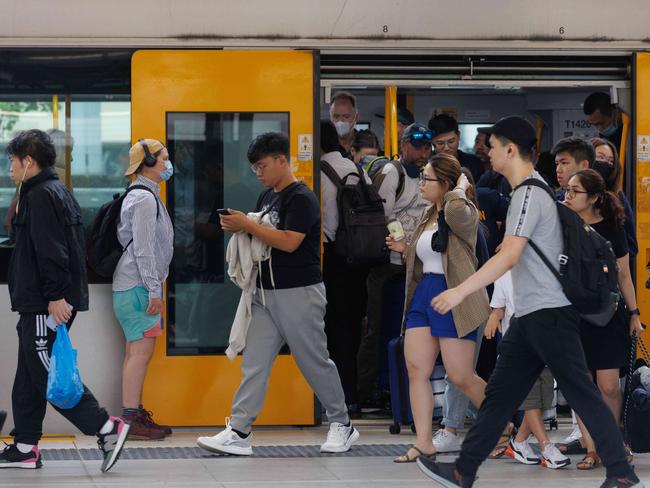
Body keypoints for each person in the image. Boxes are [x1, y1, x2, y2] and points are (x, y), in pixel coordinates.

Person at [418, 116, 642, 488]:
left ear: (510, 150)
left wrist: (460, 291)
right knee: (501, 397)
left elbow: (509, 254)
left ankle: (620, 471)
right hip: (532, 316)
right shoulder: (533, 190)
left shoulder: (528, 193)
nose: (486, 154)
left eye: (492, 147)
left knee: (581, 394)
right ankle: (463, 471)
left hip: (548, 315)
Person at [196, 132, 358, 455]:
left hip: (299, 292)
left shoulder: (302, 198)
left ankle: (343, 423)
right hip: (264, 293)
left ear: (282, 161)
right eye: (255, 167)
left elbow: (289, 241)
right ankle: (240, 431)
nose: (259, 173)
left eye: (262, 166)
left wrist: (246, 225)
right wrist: (245, 225)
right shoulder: (268, 196)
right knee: (254, 363)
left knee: (313, 360)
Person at [0, 130, 128, 472]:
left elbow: (51, 251)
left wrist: (55, 295)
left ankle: (106, 427)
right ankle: (25, 447)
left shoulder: (42, 195)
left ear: (28, 161)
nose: (9, 167)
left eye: (12, 160)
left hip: (46, 304)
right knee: (28, 377)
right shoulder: (49, 191)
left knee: (50, 375)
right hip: (38, 303)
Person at [388, 153, 489, 463]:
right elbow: (432, 255)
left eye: (427, 178)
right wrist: (405, 249)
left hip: (455, 294)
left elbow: (457, 211)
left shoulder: (461, 210)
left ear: (445, 184)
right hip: (425, 294)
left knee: (460, 375)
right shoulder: (427, 214)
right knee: (416, 369)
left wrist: (458, 188)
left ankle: (502, 421)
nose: (420, 183)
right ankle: (423, 442)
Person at [561, 169, 643, 470]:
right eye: (567, 190)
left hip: (607, 315)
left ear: (594, 197)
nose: (567, 196)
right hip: (571, 314)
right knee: (582, 384)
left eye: (574, 191)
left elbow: (624, 275)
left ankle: (613, 440)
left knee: (608, 385)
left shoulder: (612, 228)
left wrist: (634, 313)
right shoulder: (562, 225)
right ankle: (593, 449)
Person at [357, 123, 431, 409]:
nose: (422, 150)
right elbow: (380, 215)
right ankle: (373, 388)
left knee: (410, 329)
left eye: (426, 146)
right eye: (416, 145)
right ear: (403, 145)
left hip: (417, 262)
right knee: (379, 326)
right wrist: (401, 243)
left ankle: (401, 386)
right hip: (389, 265)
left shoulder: (428, 175)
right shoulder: (392, 173)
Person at [112, 139, 175, 440]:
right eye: (163, 158)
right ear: (148, 162)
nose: (167, 163)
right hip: (138, 287)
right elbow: (145, 250)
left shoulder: (145, 196)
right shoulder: (145, 200)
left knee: (135, 353)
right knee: (139, 353)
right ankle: (130, 418)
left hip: (134, 286)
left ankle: (132, 414)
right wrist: (154, 290)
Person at [485, 273, 570, 469]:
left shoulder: (542, 266)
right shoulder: (503, 274)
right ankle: (546, 447)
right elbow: (499, 306)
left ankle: (520, 441)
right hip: (519, 350)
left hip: (545, 346)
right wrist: (494, 316)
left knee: (543, 400)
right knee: (530, 401)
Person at [320, 120, 371, 411]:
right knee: (353, 327)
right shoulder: (355, 168)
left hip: (332, 256)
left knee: (333, 328)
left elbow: (325, 223)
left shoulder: (320, 172)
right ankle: (353, 395)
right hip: (360, 256)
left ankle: (338, 399)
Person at [591, 137, 638, 257]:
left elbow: (631, 245)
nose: (606, 164)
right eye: (600, 157)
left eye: (611, 162)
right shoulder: (571, 193)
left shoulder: (617, 197)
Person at [428, 114, 485, 183]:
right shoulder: (426, 164)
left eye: (451, 141)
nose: (446, 148)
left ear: (458, 136)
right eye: (440, 143)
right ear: (431, 140)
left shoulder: (474, 164)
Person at [329, 91, 359, 156]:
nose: (341, 121)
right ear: (330, 118)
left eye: (346, 116)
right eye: (336, 116)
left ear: (356, 117)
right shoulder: (324, 145)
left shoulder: (364, 143)